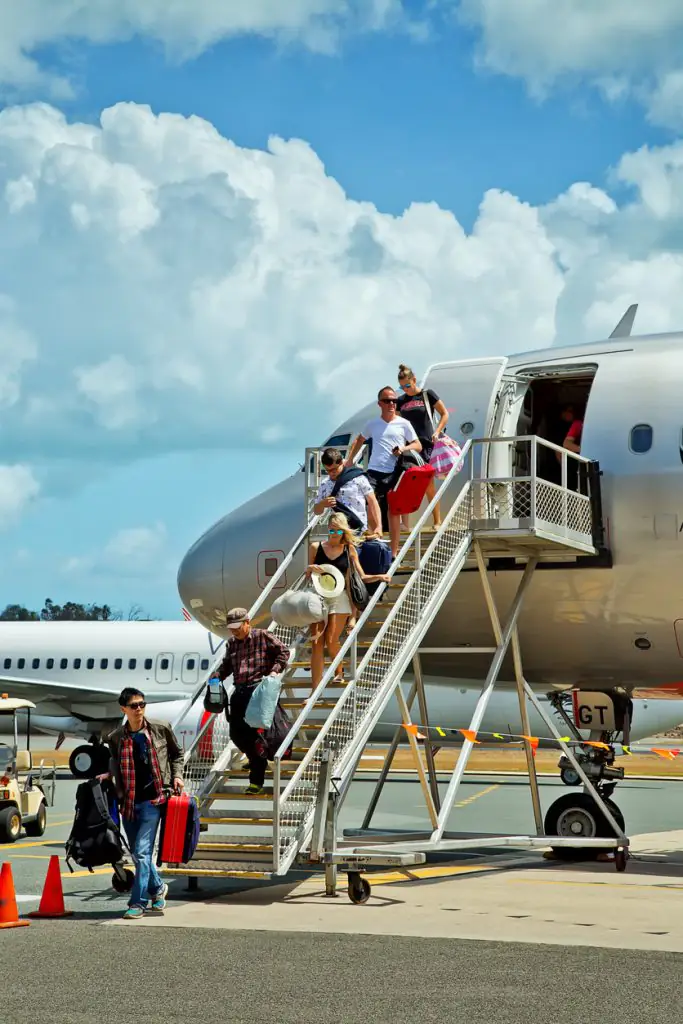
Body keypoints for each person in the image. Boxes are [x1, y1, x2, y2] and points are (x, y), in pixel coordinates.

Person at [104, 688, 184, 921]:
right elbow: (114, 763)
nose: (139, 709)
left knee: (140, 853)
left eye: (142, 704)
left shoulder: (160, 729)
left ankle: (137, 903)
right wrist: (107, 775)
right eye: (134, 705)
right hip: (128, 803)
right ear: (124, 709)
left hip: (154, 800)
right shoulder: (116, 737)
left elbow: (176, 755)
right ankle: (158, 888)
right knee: (142, 855)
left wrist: (177, 776)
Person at [307, 512, 391, 688]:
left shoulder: (349, 549)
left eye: (338, 532)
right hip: (318, 596)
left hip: (340, 598)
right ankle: (314, 690)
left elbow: (360, 576)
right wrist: (311, 569)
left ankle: (338, 670)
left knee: (331, 639)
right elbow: (309, 577)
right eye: (331, 531)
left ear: (343, 532)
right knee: (316, 643)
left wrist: (379, 576)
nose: (334, 535)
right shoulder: (316, 547)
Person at [213, 608, 290, 796]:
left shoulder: (262, 636)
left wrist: (274, 671)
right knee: (236, 734)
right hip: (239, 691)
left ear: (248, 622)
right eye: (231, 628)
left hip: (258, 691)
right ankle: (255, 757)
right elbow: (227, 666)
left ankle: (256, 780)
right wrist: (217, 676)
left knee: (256, 736)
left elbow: (284, 652)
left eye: (237, 627)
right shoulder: (232, 643)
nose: (234, 631)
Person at [345, 386, 422, 557]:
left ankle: (394, 552)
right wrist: (350, 460)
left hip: (394, 470)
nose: (391, 404)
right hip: (374, 469)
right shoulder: (372, 424)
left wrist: (403, 448)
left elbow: (418, 445)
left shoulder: (404, 423)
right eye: (387, 401)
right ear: (380, 403)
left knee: (393, 510)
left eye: (394, 400)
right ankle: (377, 533)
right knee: (367, 500)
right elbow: (360, 439)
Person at [396, 363, 450, 530]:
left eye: (407, 385)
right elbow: (397, 423)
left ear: (414, 380)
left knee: (429, 485)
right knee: (406, 482)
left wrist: (438, 431)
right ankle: (405, 523)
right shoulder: (401, 401)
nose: (405, 389)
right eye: (401, 386)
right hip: (410, 447)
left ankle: (437, 520)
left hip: (427, 444)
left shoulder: (427, 395)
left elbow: (444, 413)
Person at [313, 447, 382, 536]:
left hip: (358, 531)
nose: (331, 473)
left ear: (341, 463)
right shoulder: (324, 484)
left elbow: (372, 502)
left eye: (335, 469)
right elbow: (317, 511)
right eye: (328, 470)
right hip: (338, 533)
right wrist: (322, 504)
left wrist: (379, 526)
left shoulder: (358, 478)